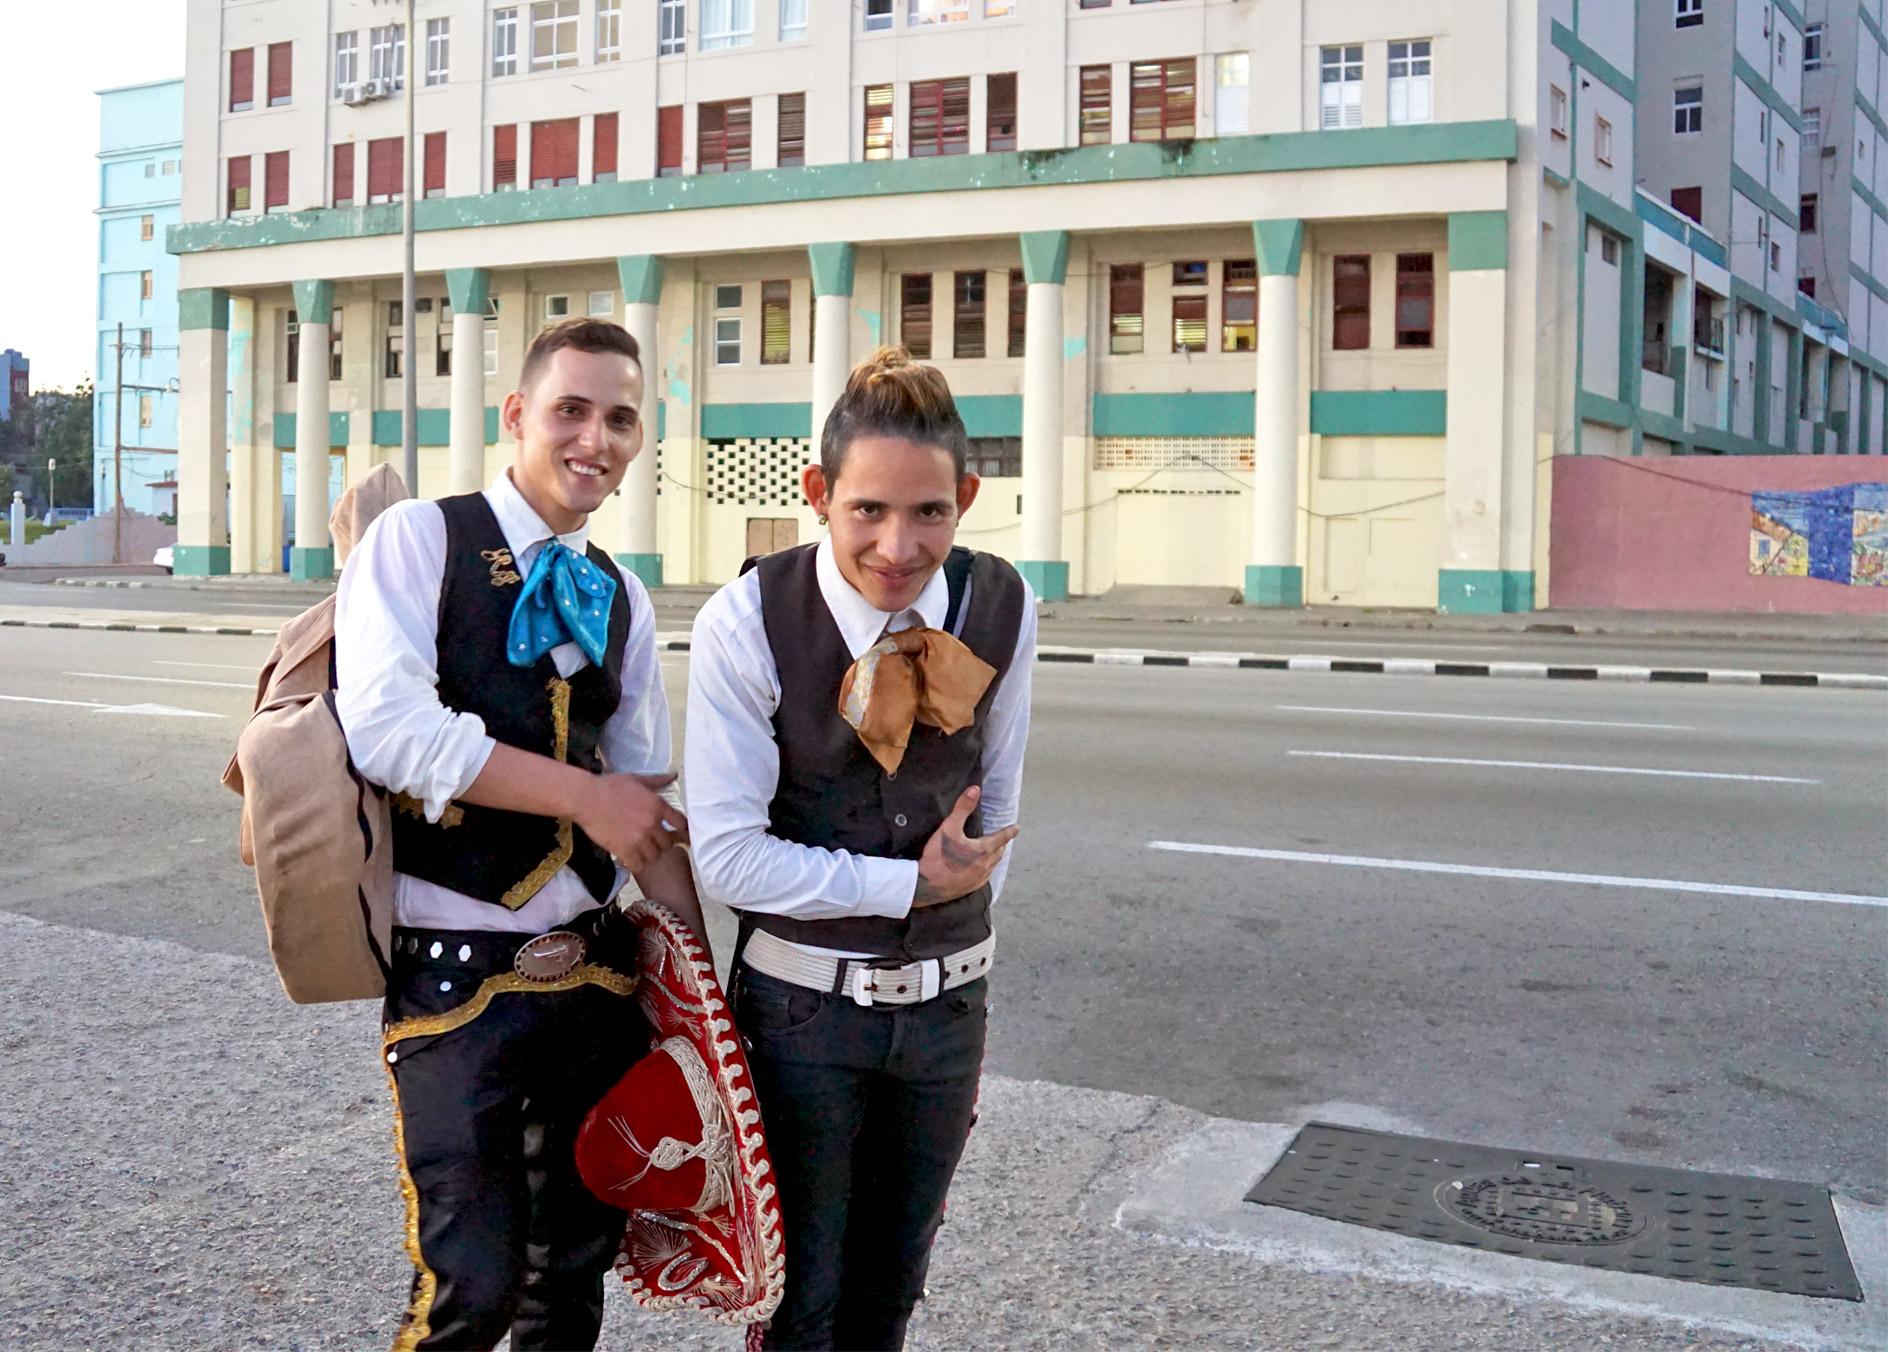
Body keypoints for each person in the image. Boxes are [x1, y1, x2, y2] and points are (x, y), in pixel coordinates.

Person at [335, 317, 709, 1351]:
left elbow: (641, 808)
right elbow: (390, 731)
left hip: (594, 978)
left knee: (570, 1284)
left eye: (621, 417)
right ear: (517, 416)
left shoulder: (623, 595)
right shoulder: (420, 538)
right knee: (473, 1287)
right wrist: (584, 797)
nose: (595, 437)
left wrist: (706, 1008)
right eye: (571, 410)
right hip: (457, 979)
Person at [686, 346, 1036, 1351]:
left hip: (949, 1007)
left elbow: (1000, 790)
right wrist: (908, 885)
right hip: (800, 1014)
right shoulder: (745, 621)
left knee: (890, 1293)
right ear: (818, 493)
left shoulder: (1001, 603)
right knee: (802, 1303)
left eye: (929, 511)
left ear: (965, 496)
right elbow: (728, 856)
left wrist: (957, 915)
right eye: (868, 511)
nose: (898, 542)